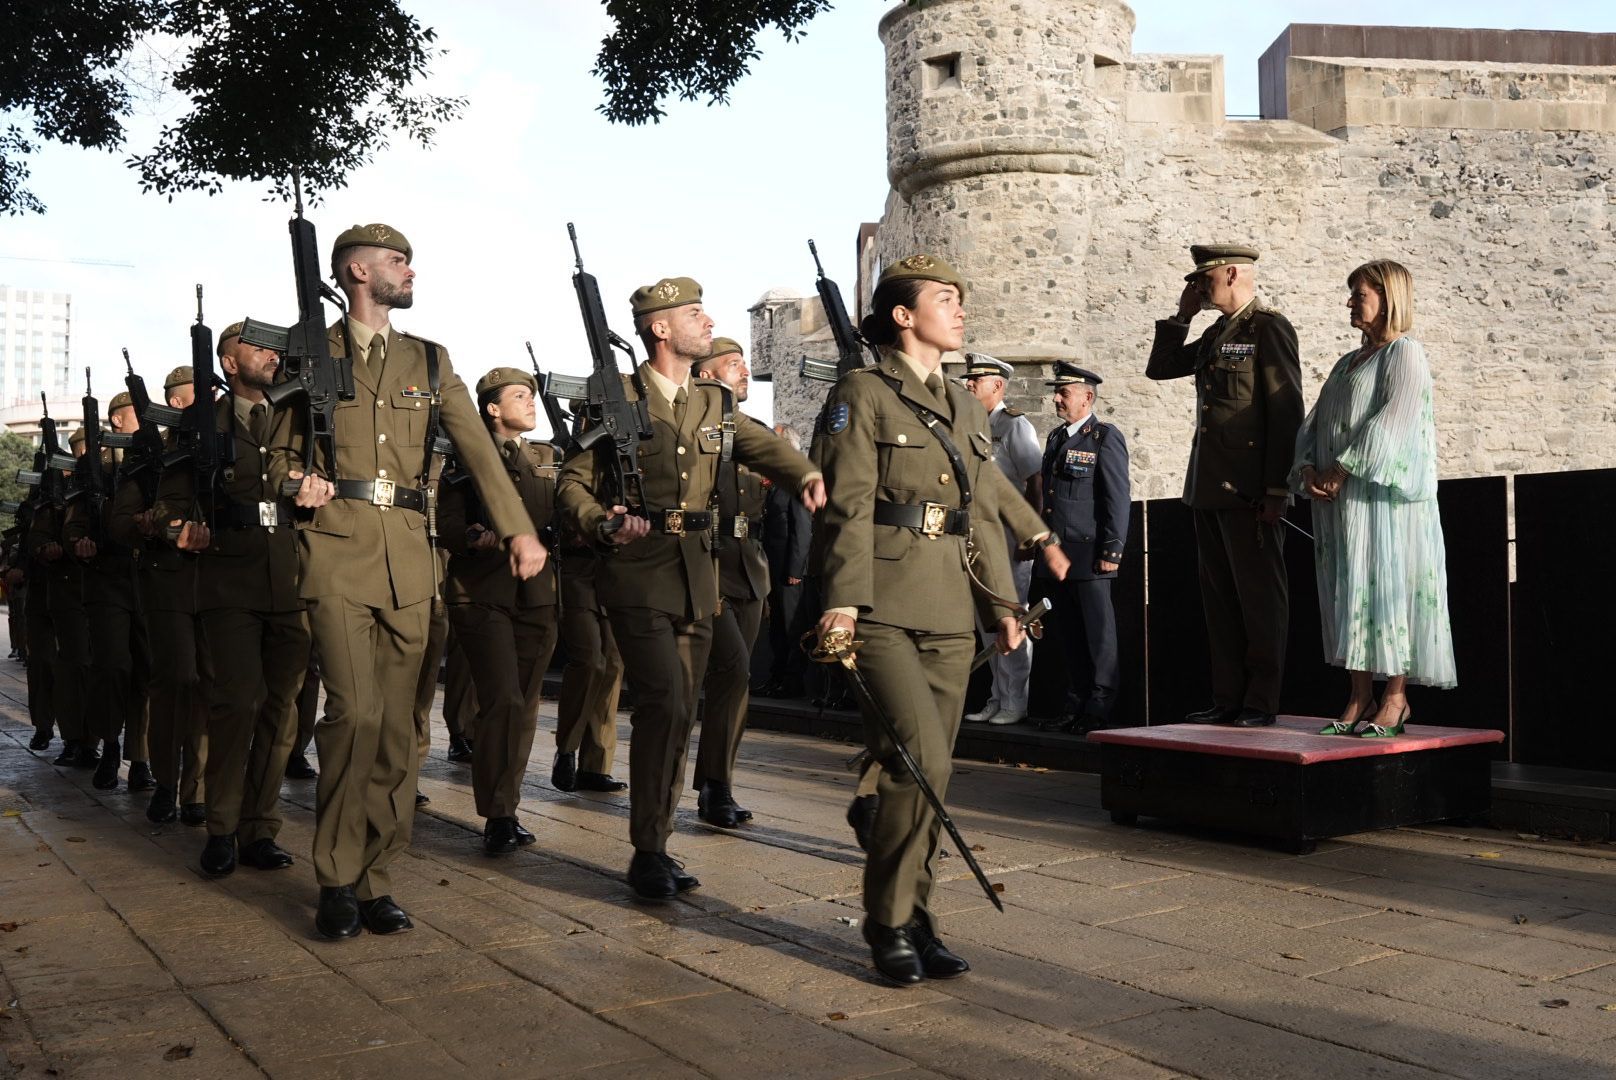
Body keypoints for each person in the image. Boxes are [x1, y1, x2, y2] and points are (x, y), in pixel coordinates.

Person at [272, 223, 545, 940]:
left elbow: (483, 453)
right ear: (357, 271)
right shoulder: (310, 353)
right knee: (353, 715)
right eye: (398, 260)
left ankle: (375, 877)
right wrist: (295, 480)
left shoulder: (430, 361)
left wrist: (519, 528)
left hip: (412, 560)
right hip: (335, 550)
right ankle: (334, 873)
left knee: (399, 730)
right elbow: (268, 458)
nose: (410, 269)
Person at [556, 275, 822, 902]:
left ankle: (657, 841)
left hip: (699, 577)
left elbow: (759, 447)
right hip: (637, 572)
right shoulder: (616, 400)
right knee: (667, 702)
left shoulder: (714, 403)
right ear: (660, 328)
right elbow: (573, 481)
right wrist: (602, 521)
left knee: (680, 708)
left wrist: (805, 473)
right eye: (694, 314)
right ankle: (647, 851)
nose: (708, 323)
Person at [814, 253, 1026, 987]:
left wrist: (1002, 605)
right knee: (920, 760)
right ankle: (888, 921)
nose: (960, 309)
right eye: (945, 298)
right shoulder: (862, 393)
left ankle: (919, 916)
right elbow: (847, 504)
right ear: (904, 315)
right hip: (879, 606)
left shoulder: (968, 407)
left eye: (961, 298)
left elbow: (982, 517)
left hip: (949, 609)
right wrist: (841, 601)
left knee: (923, 772)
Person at [154, 323, 311, 876]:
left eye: (275, 346)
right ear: (227, 360)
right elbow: (167, 501)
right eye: (257, 346)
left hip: (294, 577)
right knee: (237, 703)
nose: (272, 355)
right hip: (226, 579)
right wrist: (180, 524)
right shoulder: (202, 426)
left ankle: (260, 827)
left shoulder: (302, 415)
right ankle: (221, 826)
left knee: (280, 709)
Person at [1292, 260, 1456, 735]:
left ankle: (1395, 697)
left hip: (1385, 504)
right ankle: (1359, 696)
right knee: (1351, 591)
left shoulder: (1405, 354)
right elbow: (1315, 421)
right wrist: (1306, 468)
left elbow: (1395, 420)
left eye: (1358, 294)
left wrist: (1341, 470)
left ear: (1388, 298)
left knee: (1390, 589)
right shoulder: (1348, 362)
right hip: (1343, 505)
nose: (1349, 302)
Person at [1147, 243, 1304, 728]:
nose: (1197, 287)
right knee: (1220, 601)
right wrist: (1181, 316)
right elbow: (1162, 367)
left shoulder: (1268, 328)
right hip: (1211, 488)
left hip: (1251, 491)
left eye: (1203, 278)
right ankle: (1228, 697)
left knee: (1259, 600)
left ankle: (1260, 701)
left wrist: (1278, 489)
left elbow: (1286, 411)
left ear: (1232, 272)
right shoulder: (1218, 331)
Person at [438, 367, 561, 854]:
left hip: (538, 595)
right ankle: (497, 813)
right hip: (481, 591)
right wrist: (472, 537)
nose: (531, 402)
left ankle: (506, 806)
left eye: (532, 395)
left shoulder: (548, 459)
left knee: (525, 706)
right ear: (491, 408)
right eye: (518, 396)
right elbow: (446, 522)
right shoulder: (465, 459)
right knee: (504, 700)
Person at [690, 337, 770, 828]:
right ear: (704, 376)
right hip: (707, 564)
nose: (744, 372)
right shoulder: (692, 431)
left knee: (736, 684)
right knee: (731, 671)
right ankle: (707, 785)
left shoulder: (754, 433)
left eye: (744, 363)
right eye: (732, 364)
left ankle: (718, 783)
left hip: (749, 568)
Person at [1033, 363, 1129, 733]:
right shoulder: (1057, 438)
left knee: (1099, 636)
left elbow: (1117, 499)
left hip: (1090, 554)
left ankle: (1100, 709)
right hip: (1058, 556)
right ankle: (1075, 704)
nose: (1056, 398)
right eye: (1056, 392)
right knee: (1069, 635)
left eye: (1064, 392)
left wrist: (1113, 551)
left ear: (1087, 397)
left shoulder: (1104, 437)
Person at [960, 353, 1044, 726]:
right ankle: (997, 695)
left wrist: (1031, 532)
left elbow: (1036, 481)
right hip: (977, 535)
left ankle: (1016, 700)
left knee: (1013, 616)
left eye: (975, 381)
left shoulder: (1014, 426)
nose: (968, 386)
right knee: (987, 621)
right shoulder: (970, 426)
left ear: (997, 385)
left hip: (1009, 535)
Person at [757, 422, 812, 699]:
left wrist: (795, 570)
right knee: (776, 626)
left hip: (788, 571)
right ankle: (776, 676)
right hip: (771, 568)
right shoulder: (774, 483)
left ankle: (793, 682)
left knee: (792, 627)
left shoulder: (795, 482)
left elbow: (802, 529)